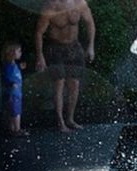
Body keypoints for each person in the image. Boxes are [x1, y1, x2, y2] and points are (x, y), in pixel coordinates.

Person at [34, 0, 96, 133]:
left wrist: (91, 47)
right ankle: (60, 122)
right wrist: (40, 56)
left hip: (74, 47)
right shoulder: (51, 6)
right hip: (55, 48)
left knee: (74, 84)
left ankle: (70, 119)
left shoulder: (80, 4)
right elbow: (39, 32)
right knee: (59, 83)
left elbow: (90, 23)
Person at [1, 42, 27, 136]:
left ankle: (12, 128)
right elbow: (7, 77)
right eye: (18, 51)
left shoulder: (13, 65)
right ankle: (17, 129)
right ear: (12, 53)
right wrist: (11, 84)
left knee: (13, 111)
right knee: (16, 111)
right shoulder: (9, 66)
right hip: (13, 92)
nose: (20, 53)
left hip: (16, 92)